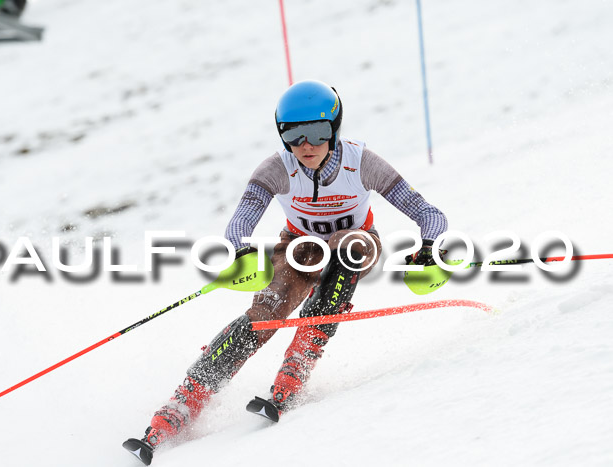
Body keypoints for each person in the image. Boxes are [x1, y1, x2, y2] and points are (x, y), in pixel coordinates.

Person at [123, 80, 448, 465]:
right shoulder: (277, 168)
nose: (306, 145)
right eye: (294, 135)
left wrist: (429, 249)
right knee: (267, 312)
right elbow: (239, 222)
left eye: (317, 132)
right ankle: (184, 401)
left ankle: (298, 364)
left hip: (357, 240)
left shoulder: (362, 162)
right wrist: (242, 250)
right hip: (299, 246)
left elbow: (429, 213)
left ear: (335, 128)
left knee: (349, 248)